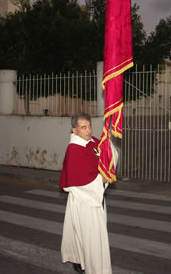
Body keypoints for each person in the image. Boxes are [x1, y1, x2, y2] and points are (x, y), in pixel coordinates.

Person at [59, 112, 112, 274]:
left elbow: (107, 156)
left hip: (95, 197)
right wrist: (101, 179)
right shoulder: (74, 149)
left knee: (84, 236)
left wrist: (108, 145)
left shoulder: (93, 141)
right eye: (83, 128)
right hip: (85, 201)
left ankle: (79, 261)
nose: (89, 131)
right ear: (74, 130)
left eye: (89, 126)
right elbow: (77, 181)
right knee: (93, 240)